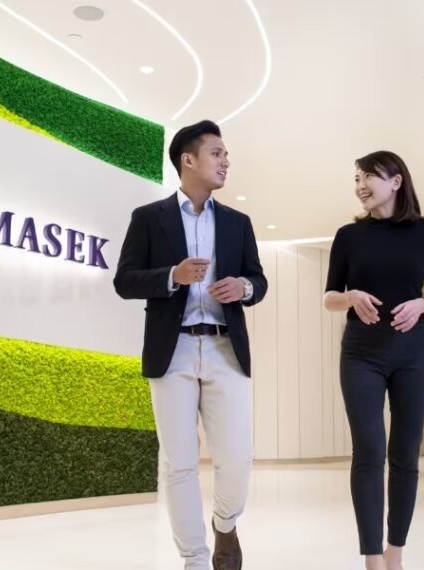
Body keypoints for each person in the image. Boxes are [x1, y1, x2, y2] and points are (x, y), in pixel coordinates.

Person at [113, 119, 267, 570]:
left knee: (237, 459)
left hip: (225, 349)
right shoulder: (148, 218)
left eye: (226, 155)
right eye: (217, 153)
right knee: (179, 464)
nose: (225, 161)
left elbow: (259, 280)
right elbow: (124, 281)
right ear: (189, 160)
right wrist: (170, 277)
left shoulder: (239, 223)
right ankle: (196, 560)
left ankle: (225, 523)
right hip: (173, 350)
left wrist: (243, 288)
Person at [322, 150, 424, 570]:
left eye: (369, 177)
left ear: (396, 182)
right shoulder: (348, 236)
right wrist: (350, 296)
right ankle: (373, 559)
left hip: (414, 355)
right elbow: (329, 297)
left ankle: (396, 554)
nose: (361, 185)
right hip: (361, 353)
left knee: (405, 453)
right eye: (356, 178)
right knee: (369, 450)